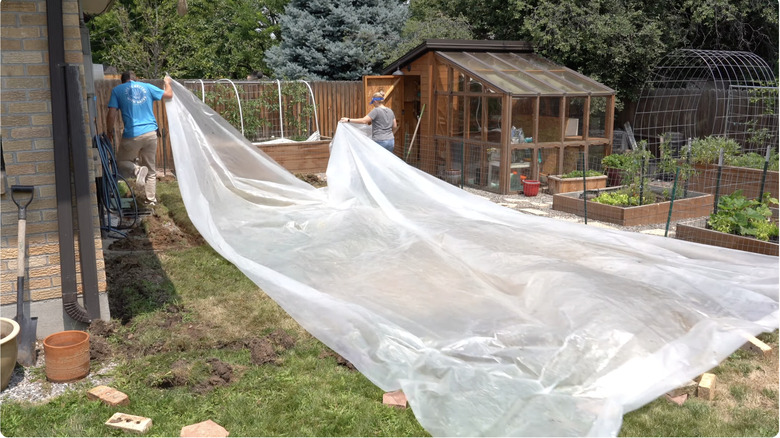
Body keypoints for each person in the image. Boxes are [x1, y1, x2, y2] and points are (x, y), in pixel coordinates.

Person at [106, 71, 173, 205]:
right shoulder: (147, 87)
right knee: (151, 169)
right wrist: (167, 83)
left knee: (121, 161)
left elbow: (111, 114)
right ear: (135, 79)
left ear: (122, 81)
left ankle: (137, 170)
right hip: (151, 133)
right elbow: (169, 95)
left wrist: (109, 132)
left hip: (133, 134)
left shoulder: (117, 90)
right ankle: (151, 200)